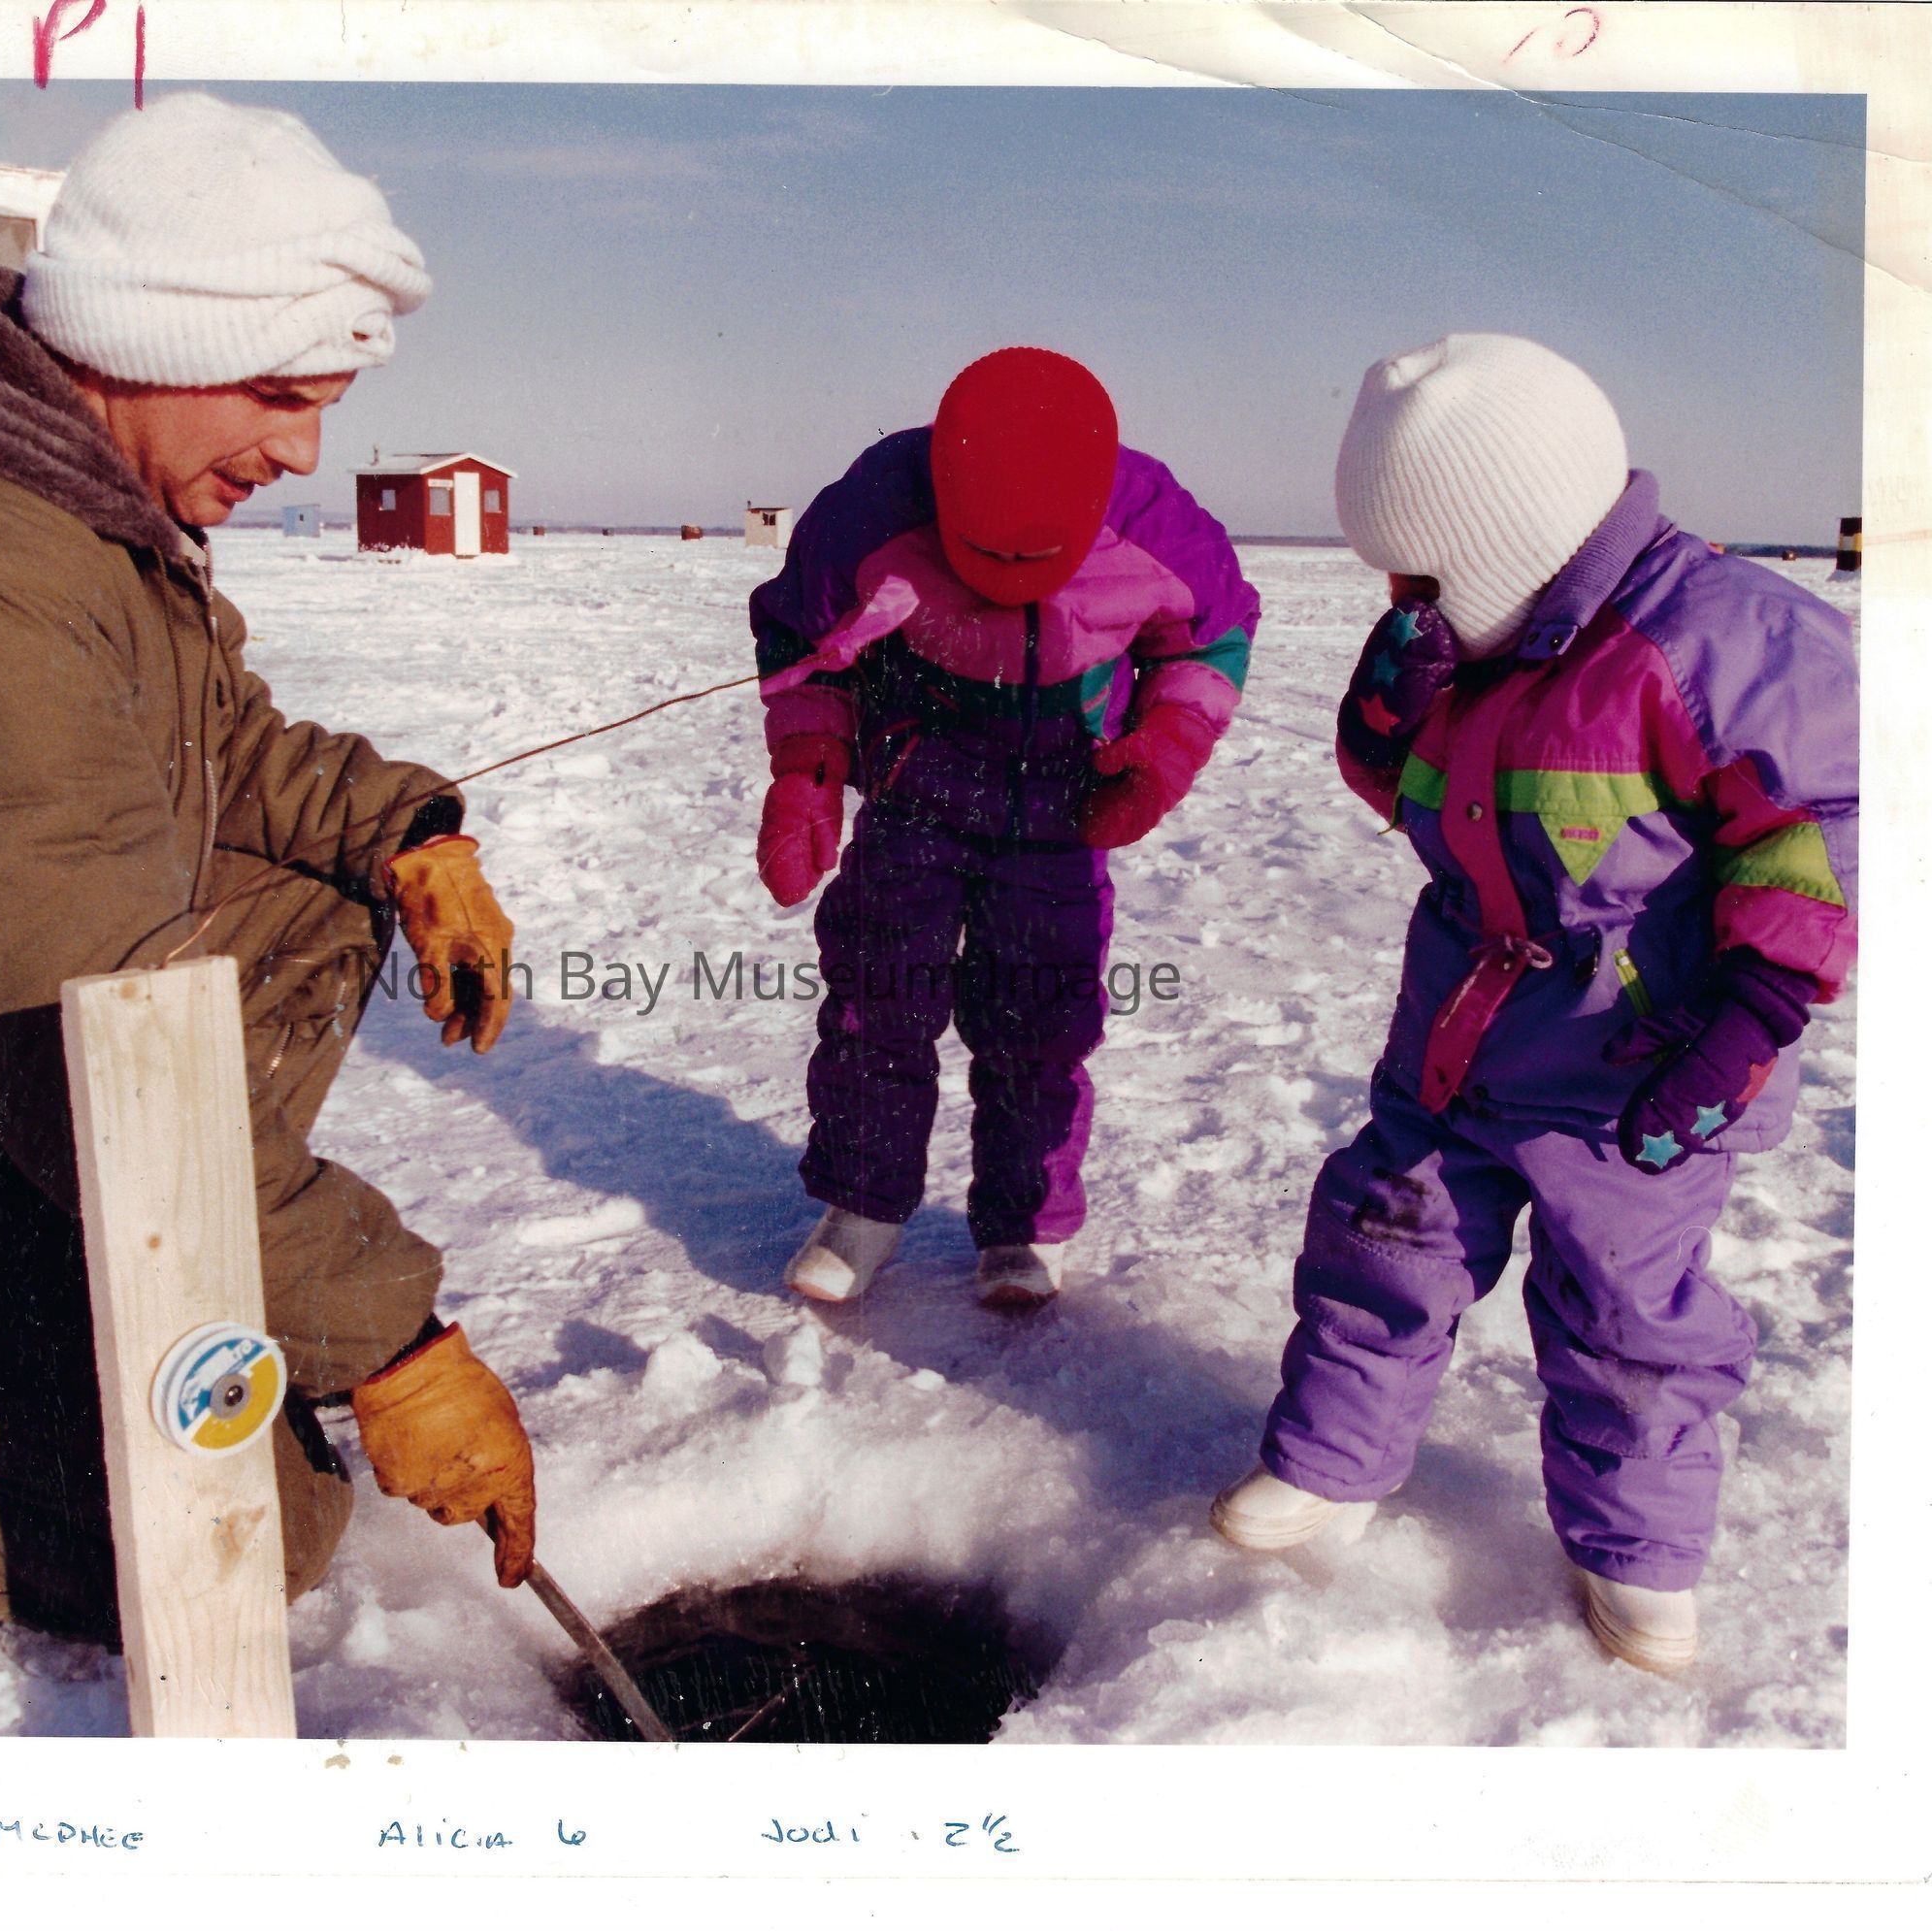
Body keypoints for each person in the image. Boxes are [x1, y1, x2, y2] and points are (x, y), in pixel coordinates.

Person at [0, 93, 535, 1643]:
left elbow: (223, 743)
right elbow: (91, 1057)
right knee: (235, 1520)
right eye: (278, 393)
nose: (303, 449)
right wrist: (389, 1342)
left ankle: (161, 1252)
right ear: (147, 342)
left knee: (317, 900)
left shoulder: (67, 511)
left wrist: (408, 835)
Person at [1209, 334, 1859, 1674]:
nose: (1398, 602)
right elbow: (1406, 798)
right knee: (1382, 1241)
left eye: (1416, 576)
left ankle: (1635, 1552)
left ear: (1501, 540)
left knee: (1622, 1311)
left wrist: (1747, 1016)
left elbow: (1822, 834)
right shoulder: (1467, 644)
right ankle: (1331, 1462)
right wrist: (1383, 717)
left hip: (1641, 1066)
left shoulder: (1724, 639)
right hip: (1457, 1037)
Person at [749, 347, 1259, 1307]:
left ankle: (1024, 1223)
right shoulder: (871, 509)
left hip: (1064, 803)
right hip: (914, 788)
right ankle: (861, 1206)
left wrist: (1169, 742)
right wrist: (808, 766)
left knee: (1039, 1016)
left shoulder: (1154, 522)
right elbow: (801, 642)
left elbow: (1208, 640)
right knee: (876, 999)